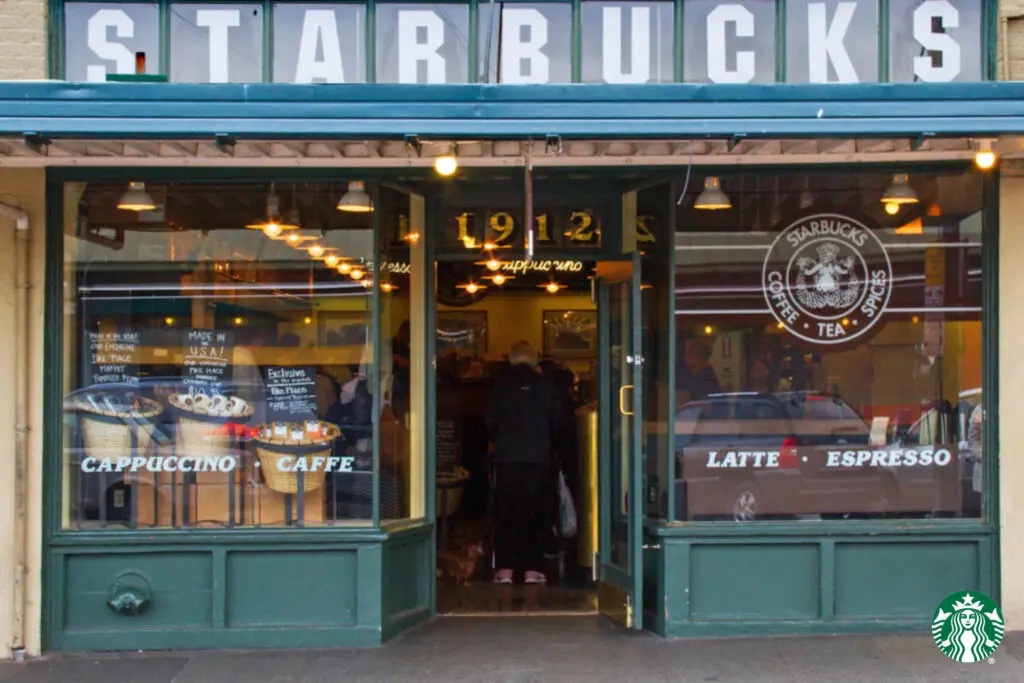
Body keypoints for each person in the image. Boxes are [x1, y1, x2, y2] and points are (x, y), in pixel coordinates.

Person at [486, 341, 562, 585]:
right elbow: (558, 420)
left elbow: (489, 422)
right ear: (534, 359)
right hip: (538, 459)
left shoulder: (500, 385)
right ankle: (532, 570)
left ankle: (505, 570)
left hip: (507, 459)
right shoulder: (545, 385)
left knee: (506, 513)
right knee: (536, 514)